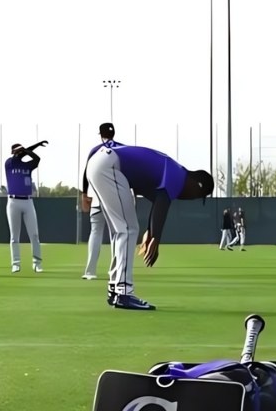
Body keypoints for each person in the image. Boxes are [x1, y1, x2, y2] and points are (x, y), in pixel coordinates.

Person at [82, 143, 214, 310]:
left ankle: (115, 289)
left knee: (120, 231)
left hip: (101, 163)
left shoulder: (173, 172)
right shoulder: (178, 175)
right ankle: (123, 292)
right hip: (109, 166)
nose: (192, 198)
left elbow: (159, 199)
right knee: (128, 229)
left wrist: (151, 232)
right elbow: (162, 201)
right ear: (197, 186)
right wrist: (155, 239)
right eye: (198, 196)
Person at [82, 122, 121, 279]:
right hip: (116, 198)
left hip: (98, 196)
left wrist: (84, 194)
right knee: (117, 234)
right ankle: (116, 272)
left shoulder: (95, 150)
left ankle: (90, 272)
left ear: (100, 134)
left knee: (96, 232)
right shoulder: (122, 149)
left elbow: (86, 173)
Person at [5, 141, 45, 273]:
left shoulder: (28, 165)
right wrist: (23, 150)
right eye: (18, 151)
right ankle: (15, 263)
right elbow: (16, 156)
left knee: (34, 234)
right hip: (13, 201)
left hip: (28, 202)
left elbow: (37, 159)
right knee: (14, 236)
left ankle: (37, 263)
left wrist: (28, 149)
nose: (19, 153)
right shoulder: (9, 163)